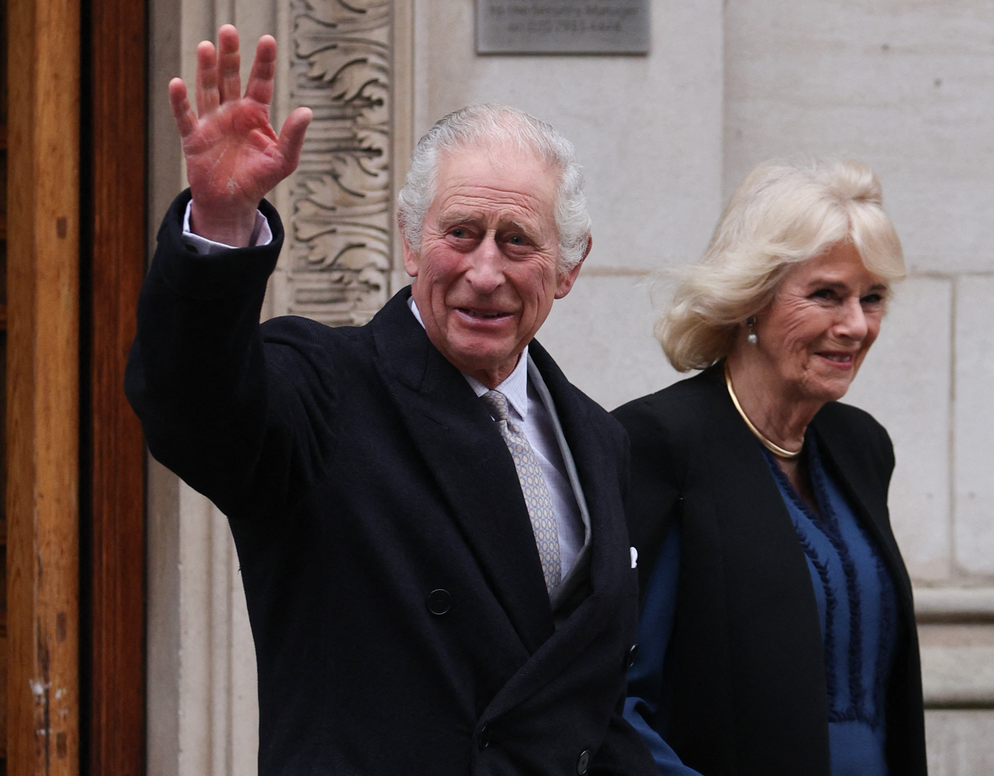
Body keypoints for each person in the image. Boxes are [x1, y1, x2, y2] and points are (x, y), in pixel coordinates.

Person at [125, 25, 655, 776]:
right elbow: (192, 408)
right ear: (410, 242)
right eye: (460, 233)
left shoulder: (600, 441)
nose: (483, 271)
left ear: (568, 267)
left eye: (516, 242)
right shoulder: (325, 387)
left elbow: (591, 708)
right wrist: (220, 229)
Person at [616, 159, 927, 775]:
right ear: (750, 299)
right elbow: (617, 702)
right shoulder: (659, 443)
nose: (857, 326)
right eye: (826, 295)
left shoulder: (861, 445)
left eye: (873, 298)